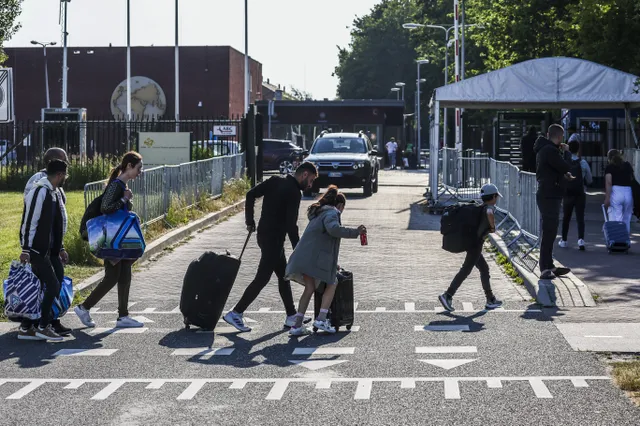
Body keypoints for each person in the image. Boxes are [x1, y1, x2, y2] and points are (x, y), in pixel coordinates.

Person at [223, 162, 318, 332]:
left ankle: (291, 315)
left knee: (283, 276)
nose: (310, 185)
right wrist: (298, 249)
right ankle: (236, 312)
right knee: (262, 278)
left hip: (264, 235)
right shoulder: (294, 192)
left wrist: (250, 221)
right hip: (274, 239)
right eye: (310, 180)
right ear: (304, 174)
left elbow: (250, 194)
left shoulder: (274, 180)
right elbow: (291, 225)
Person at [74, 151, 144, 329]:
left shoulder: (121, 186)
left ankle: (123, 316)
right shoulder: (116, 186)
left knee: (125, 272)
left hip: (116, 238)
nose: (140, 172)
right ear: (129, 166)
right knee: (112, 276)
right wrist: (124, 199)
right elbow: (106, 208)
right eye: (138, 168)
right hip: (110, 238)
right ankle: (84, 308)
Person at [284, 186, 365, 335]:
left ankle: (296, 326)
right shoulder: (332, 213)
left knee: (309, 288)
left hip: (303, 257)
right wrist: (356, 232)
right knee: (333, 282)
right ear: (340, 206)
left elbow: (322, 241)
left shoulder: (319, 212)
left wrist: (334, 263)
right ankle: (321, 319)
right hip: (314, 260)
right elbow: (333, 230)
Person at [19, 147, 72, 338]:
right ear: (58, 171)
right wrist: (26, 248)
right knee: (48, 284)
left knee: (55, 280)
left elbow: (56, 220)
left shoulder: (53, 188)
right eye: (65, 164)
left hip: (50, 246)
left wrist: (60, 246)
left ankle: (44, 321)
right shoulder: (41, 187)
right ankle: (38, 324)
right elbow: (31, 219)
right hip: (38, 247)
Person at [438, 184, 504, 312]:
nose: (497, 199)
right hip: (475, 245)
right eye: (496, 196)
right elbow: (490, 213)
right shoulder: (488, 208)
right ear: (494, 196)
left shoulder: (480, 207)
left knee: (484, 268)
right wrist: (493, 227)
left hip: (472, 242)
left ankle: (490, 299)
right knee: (466, 270)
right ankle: (448, 295)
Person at [534, 124, 574, 280]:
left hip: (549, 194)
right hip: (549, 195)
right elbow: (565, 166)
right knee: (549, 232)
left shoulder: (546, 149)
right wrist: (567, 152)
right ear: (559, 137)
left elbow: (555, 170)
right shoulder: (550, 151)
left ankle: (549, 265)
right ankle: (545, 268)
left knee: (550, 232)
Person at [559, 140, 593, 251]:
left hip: (567, 193)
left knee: (566, 217)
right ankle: (581, 240)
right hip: (580, 193)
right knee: (580, 217)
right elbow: (589, 179)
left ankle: (564, 240)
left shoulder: (564, 162)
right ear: (578, 149)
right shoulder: (583, 163)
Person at [604, 149, 635, 234]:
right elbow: (632, 179)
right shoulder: (627, 165)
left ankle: (617, 239)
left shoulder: (609, 167)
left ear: (609, 158)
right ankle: (626, 240)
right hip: (628, 192)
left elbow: (609, 182)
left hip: (616, 192)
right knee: (626, 219)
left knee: (616, 217)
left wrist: (607, 197)